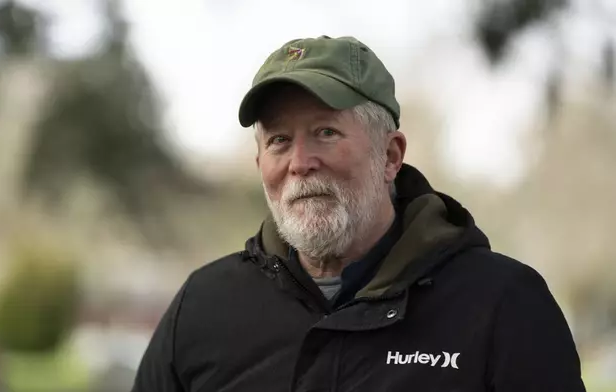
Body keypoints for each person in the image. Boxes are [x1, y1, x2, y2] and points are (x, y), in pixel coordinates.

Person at [131, 35, 586, 392]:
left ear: (390, 156)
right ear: (260, 165)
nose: (300, 162)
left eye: (326, 132)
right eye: (279, 141)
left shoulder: (502, 305)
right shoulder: (203, 307)